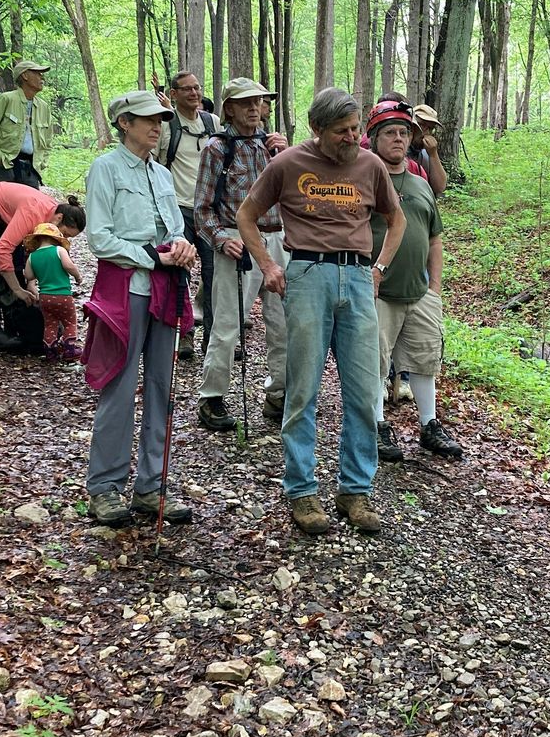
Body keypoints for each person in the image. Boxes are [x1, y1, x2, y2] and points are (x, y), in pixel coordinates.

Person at [237, 87, 406, 535]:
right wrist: (268, 264)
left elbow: (397, 219)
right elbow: (247, 214)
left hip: (358, 277)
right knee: (303, 390)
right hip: (308, 274)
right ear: (317, 128)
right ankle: (302, 491)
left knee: (364, 391)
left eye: (355, 129)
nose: (352, 138)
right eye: (341, 131)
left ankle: (355, 490)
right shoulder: (288, 163)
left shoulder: (370, 165)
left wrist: (379, 268)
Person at [82, 90, 197, 527]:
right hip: (126, 289)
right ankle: (104, 487)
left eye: (161, 119)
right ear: (124, 123)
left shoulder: (162, 175)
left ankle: (152, 485)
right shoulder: (106, 168)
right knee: (120, 384)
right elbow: (100, 239)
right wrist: (152, 257)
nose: (157, 126)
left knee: (162, 387)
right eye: (148, 119)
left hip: (165, 290)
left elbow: (176, 228)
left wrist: (181, 246)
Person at [365, 101, 463, 462]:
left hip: (420, 292)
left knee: (424, 359)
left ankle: (429, 425)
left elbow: (434, 238)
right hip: (378, 292)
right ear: (374, 138)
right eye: (390, 133)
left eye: (404, 133)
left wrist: (435, 287)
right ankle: (376, 425)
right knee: (374, 362)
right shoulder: (364, 179)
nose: (398, 139)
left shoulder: (421, 184)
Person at [194, 78, 289, 431]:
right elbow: (202, 209)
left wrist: (287, 156)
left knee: (284, 323)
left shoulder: (274, 146)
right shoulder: (217, 148)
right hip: (237, 241)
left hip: (278, 239)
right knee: (228, 323)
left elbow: (296, 197)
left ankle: (279, 393)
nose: (254, 108)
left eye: (259, 101)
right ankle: (212, 397)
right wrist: (221, 239)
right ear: (229, 108)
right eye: (246, 102)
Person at [0, 180, 86, 351]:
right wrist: (18, 290)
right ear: (59, 218)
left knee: (14, 264)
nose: (63, 239)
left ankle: (12, 328)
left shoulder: (51, 216)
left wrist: (30, 283)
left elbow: (31, 251)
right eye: (65, 234)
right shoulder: (33, 212)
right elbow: (2, 251)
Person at [155, 70, 220, 359]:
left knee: (213, 276)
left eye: (197, 87)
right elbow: (154, 163)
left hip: (209, 210)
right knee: (180, 274)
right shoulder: (166, 126)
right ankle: (184, 334)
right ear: (174, 94)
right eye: (187, 89)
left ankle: (213, 341)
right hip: (178, 209)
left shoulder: (212, 122)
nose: (194, 93)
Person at [0, 60, 53, 188]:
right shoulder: (7, 99)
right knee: (3, 200)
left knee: (30, 200)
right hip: (5, 166)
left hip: (30, 169)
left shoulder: (43, 107)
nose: (42, 77)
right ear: (25, 76)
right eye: (37, 73)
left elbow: (48, 139)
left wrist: (42, 162)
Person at [22, 222, 83, 360]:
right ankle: (69, 349)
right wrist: (78, 276)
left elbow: (29, 275)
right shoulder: (59, 250)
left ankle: (50, 351)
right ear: (55, 238)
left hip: (44, 297)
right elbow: (69, 266)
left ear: (37, 239)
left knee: (50, 324)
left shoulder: (32, 256)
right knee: (70, 322)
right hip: (63, 296)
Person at [409, 104, 448, 197]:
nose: (426, 132)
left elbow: (440, 187)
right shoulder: (399, 149)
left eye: (430, 128)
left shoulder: (426, 153)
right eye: (422, 125)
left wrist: (433, 154)